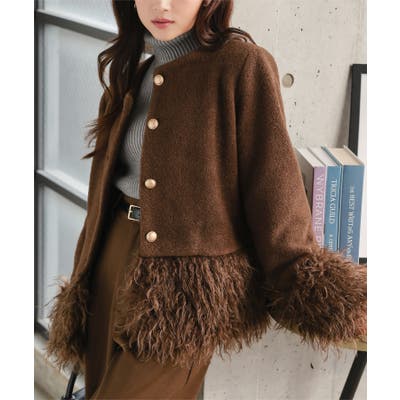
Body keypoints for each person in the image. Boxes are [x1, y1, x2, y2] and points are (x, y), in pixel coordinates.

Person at [45, 0, 367, 399]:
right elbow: (104, 189)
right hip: (111, 258)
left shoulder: (241, 66)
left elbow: (272, 185)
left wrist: (311, 285)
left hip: (184, 292)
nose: (162, 5)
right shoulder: (133, 71)